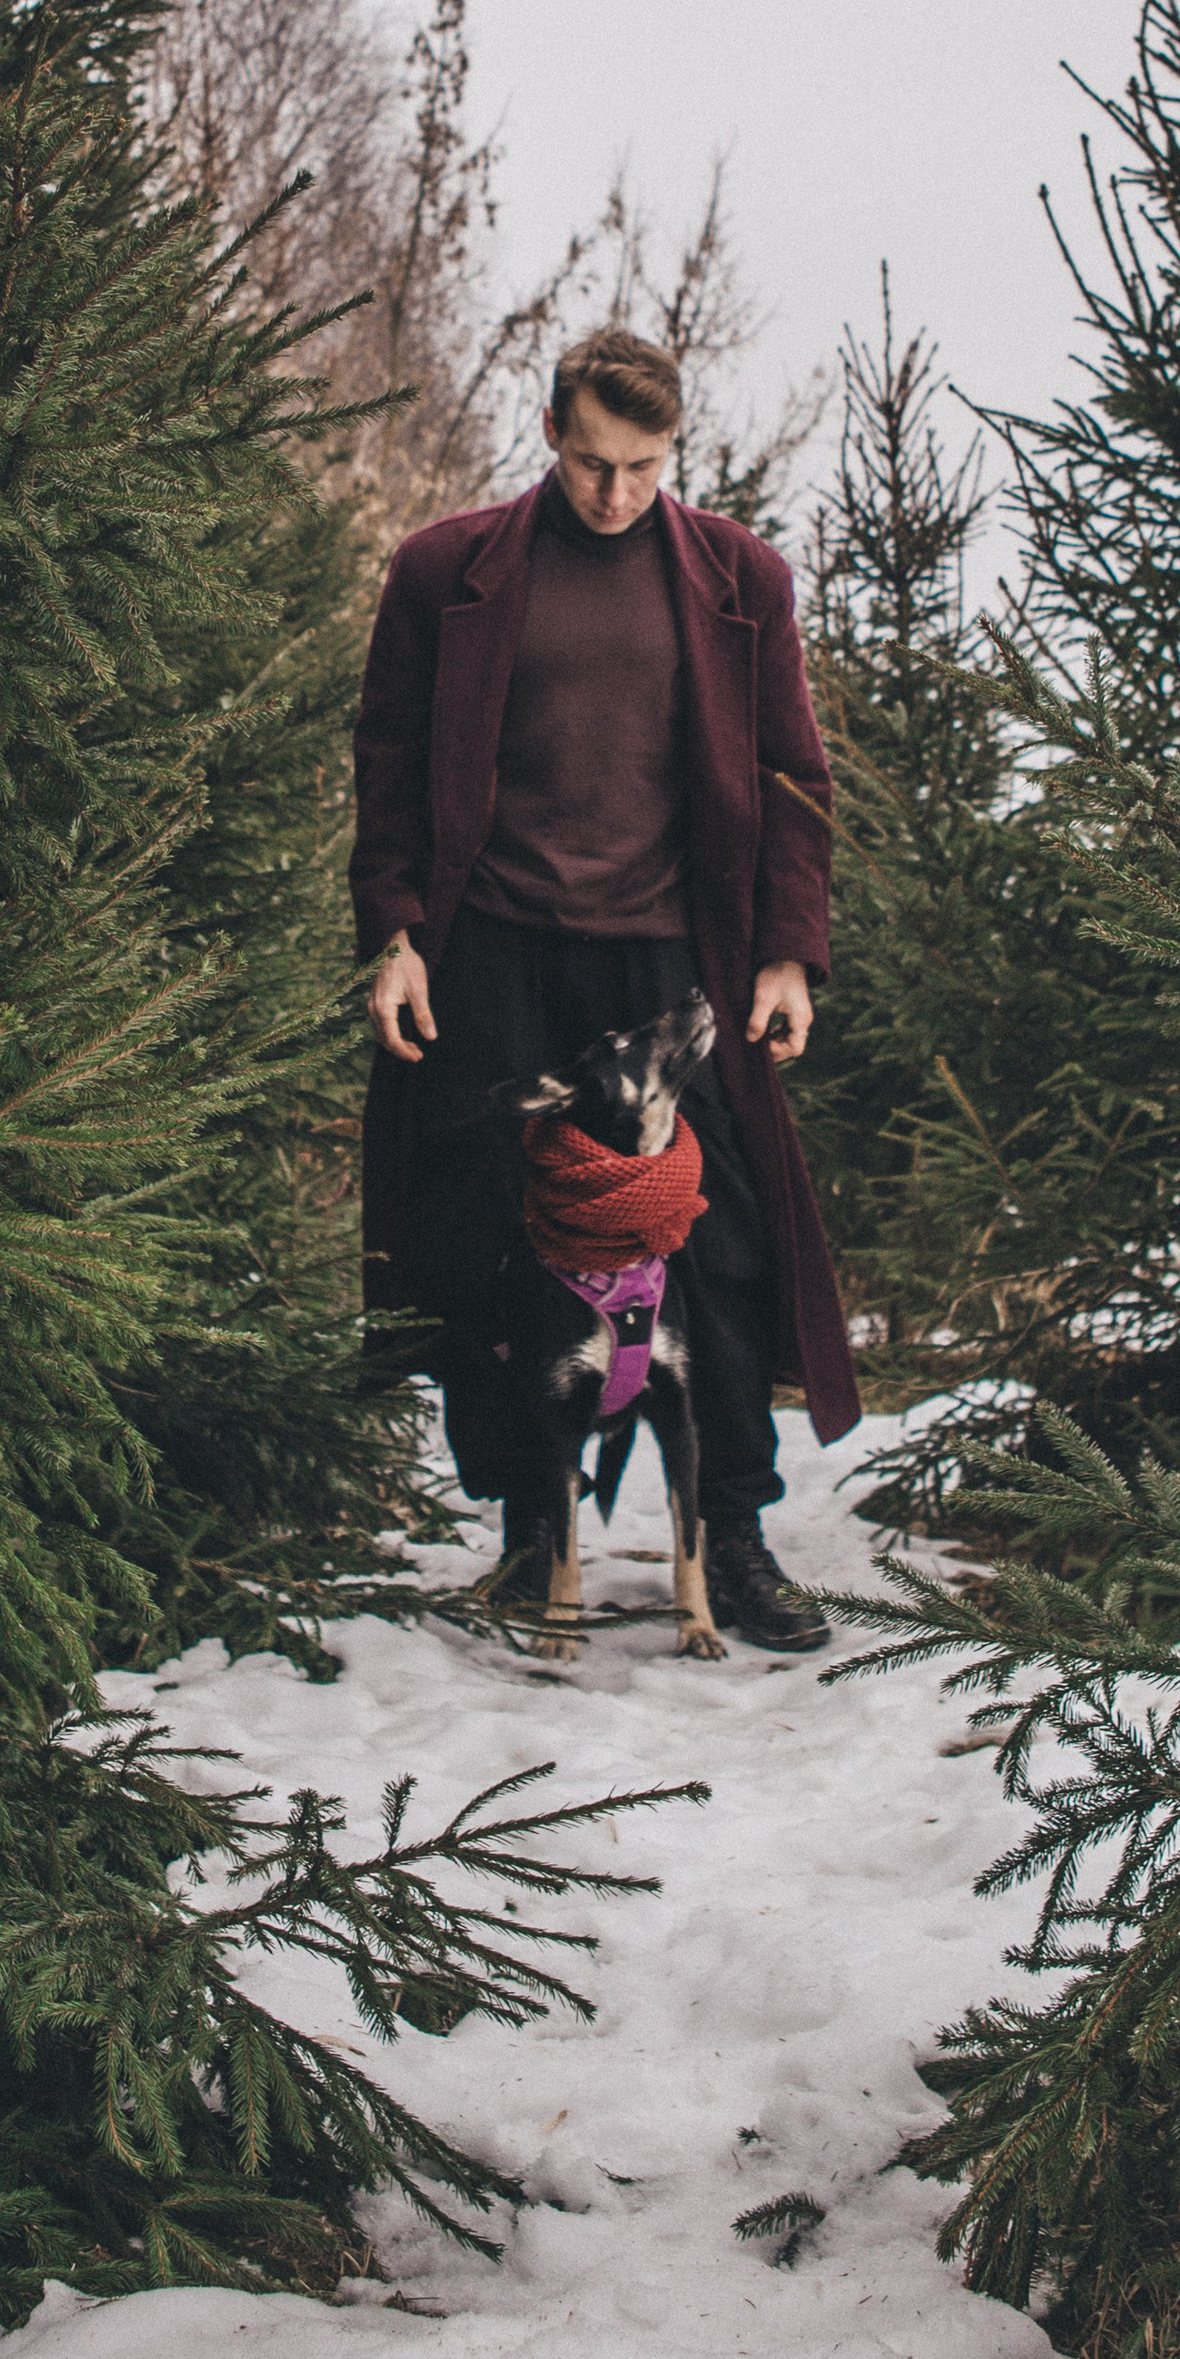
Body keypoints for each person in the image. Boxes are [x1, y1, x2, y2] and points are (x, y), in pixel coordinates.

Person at [350, 322, 861, 1651]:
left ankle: (736, 1536)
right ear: (550, 435)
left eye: (642, 466)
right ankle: (535, 1534)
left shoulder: (741, 580)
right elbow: (392, 760)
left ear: (672, 450)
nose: (615, 492)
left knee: (725, 1237)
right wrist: (396, 931)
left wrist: (788, 952)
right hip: (496, 948)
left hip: (673, 958)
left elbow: (797, 776)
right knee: (488, 1235)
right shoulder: (445, 570)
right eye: (590, 462)